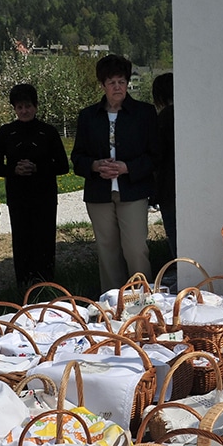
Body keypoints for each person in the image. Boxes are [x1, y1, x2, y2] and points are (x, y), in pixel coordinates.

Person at [72, 54, 159, 292]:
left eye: (121, 81)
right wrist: (95, 165)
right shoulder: (88, 116)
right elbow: (77, 158)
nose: (117, 87)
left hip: (133, 191)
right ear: (102, 85)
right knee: (107, 251)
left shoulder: (144, 113)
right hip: (99, 194)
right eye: (112, 82)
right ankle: (113, 306)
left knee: (136, 249)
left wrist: (127, 167)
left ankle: (145, 301)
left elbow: (155, 155)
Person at [0, 83, 69, 289]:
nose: (24, 111)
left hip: (44, 195)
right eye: (19, 107)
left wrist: (37, 168)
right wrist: (14, 170)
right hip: (18, 196)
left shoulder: (48, 132)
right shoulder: (6, 132)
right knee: (21, 238)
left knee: (44, 238)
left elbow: (62, 165)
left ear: (35, 106)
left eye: (28, 106)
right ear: (14, 109)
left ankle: (45, 282)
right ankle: (24, 283)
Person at [151, 72, 176, 259]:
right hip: (185, 184)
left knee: (174, 233)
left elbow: (157, 155)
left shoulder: (164, 117)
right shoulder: (186, 113)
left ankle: (179, 268)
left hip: (168, 185)